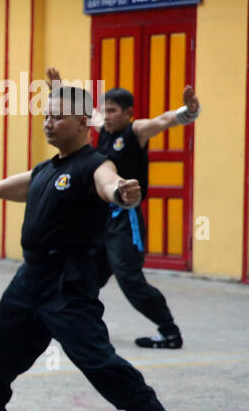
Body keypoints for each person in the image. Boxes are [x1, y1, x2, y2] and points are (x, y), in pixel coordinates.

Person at [0, 83, 187, 411]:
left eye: (57, 116)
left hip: (68, 283)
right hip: (30, 278)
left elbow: (110, 185)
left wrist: (122, 193)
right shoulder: (46, 170)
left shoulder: (95, 164)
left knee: (97, 360)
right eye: (46, 115)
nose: (48, 123)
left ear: (83, 122)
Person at [49, 69, 198, 349]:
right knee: (86, 275)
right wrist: (59, 89)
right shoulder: (102, 128)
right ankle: (80, 326)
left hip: (125, 222)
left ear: (128, 113)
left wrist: (188, 111)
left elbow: (164, 121)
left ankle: (169, 332)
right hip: (100, 217)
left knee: (129, 279)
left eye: (114, 111)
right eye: (104, 110)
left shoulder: (136, 130)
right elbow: (76, 111)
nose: (107, 115)